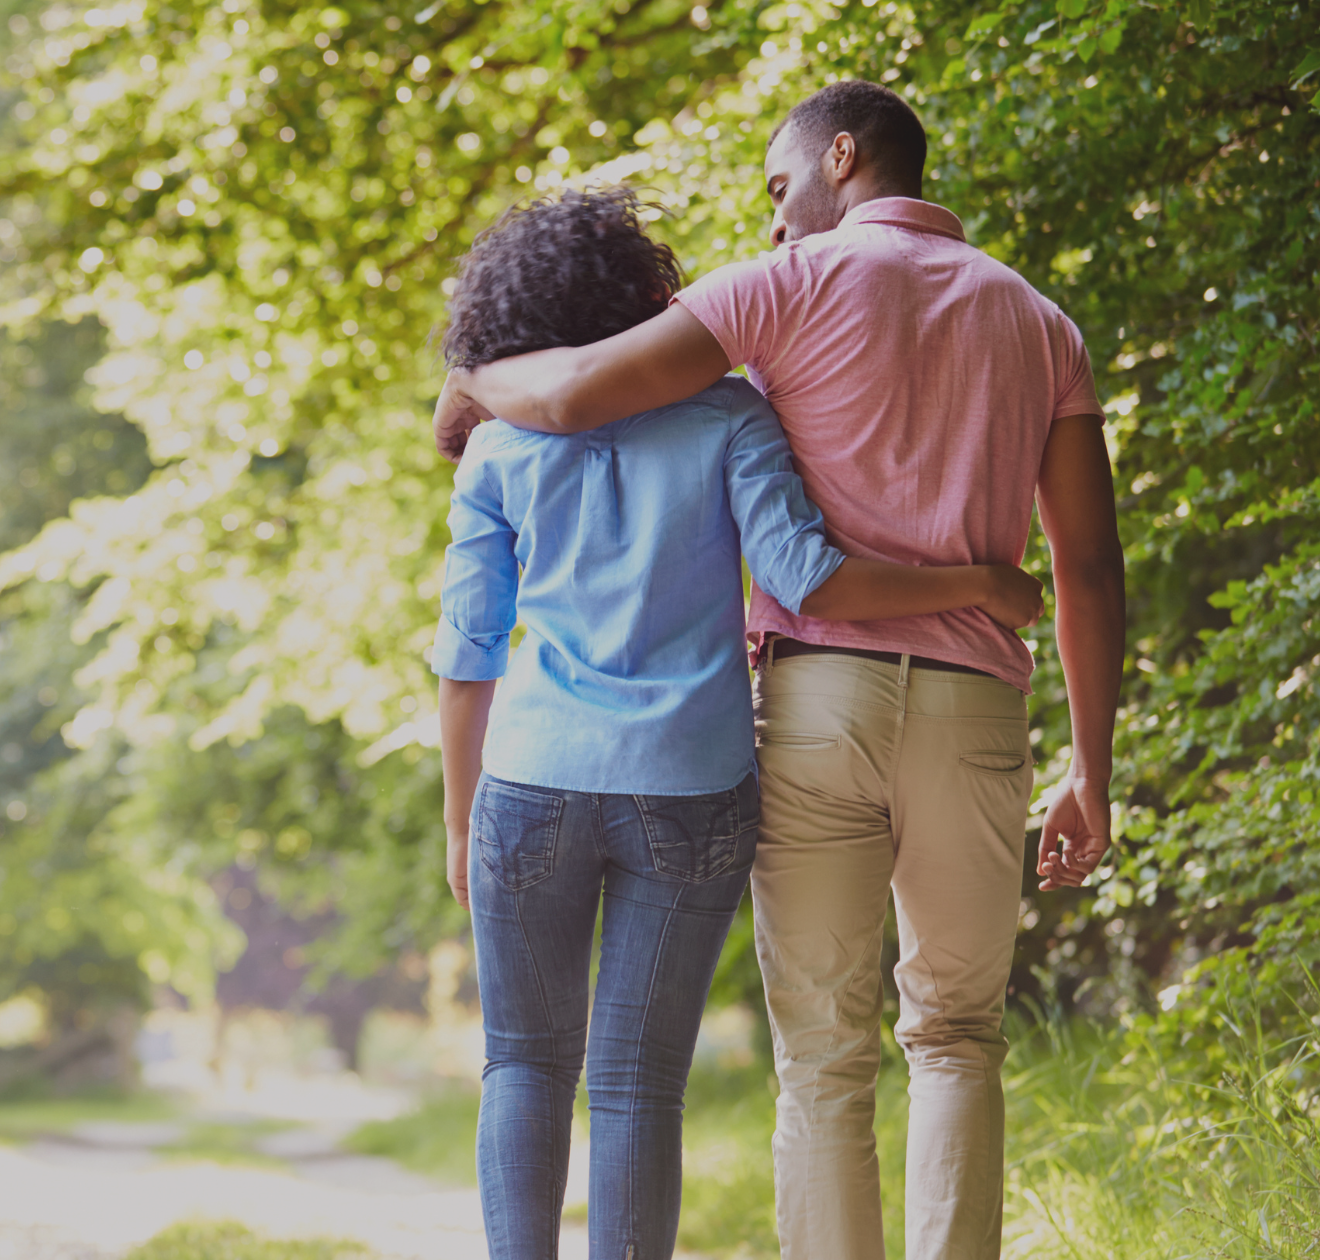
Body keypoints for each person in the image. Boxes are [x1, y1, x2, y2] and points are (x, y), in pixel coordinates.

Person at [431, 81, 1127, 1260]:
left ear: (839, 159)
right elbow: (1091, 567)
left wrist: (473, 376)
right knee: (954, 1035)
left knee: (816, 1055)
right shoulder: (1036, 322)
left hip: (806, 704)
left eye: (776, 189)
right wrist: (1090, 770)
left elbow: (560, 408)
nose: (768, 222)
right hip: (964, 711)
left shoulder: (775, 294)